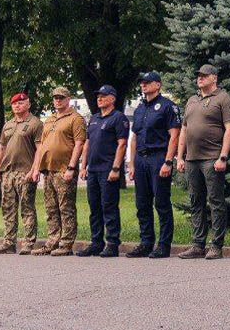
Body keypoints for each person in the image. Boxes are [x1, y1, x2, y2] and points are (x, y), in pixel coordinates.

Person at [177, 64, 230, 260]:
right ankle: (197, 244)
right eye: (198, 75)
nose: (200, 78)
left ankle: (216, 245)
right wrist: (180, 156)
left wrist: (223, 156)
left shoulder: (223, 99)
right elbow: (184, 130)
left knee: (215, 202)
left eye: (204, 76)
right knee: (196, 201)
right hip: (192, 159)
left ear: (214, 78)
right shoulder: (192, 100)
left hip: (212, 158)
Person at [127, 72, 181, 259]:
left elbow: (174, 136)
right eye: (142, 82)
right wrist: (131, 163)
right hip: (141, 159)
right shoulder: (140, 108)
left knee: (161, 202)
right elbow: (134, 137)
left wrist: (168, 161)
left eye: (147, 82)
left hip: (159, 157)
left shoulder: (168, 107)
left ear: (157, 85)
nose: (143, 85)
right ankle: (146, 242)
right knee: (142, 204)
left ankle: (164, 245)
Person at [29, 86, 86, 256]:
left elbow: (79, 143)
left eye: (61, 97)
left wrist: (71, 167)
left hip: (64, 170)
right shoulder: (50, 119)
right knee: (51, 208)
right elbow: (43, 145)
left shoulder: (76, 118)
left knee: (66, 207)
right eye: (55, 97)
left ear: (68, 99)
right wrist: (37, 167)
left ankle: (66, 243)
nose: (57, 100)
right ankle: (52, 241)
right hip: (48, 170)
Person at [77, 85, 130, 258]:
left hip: (108, 169)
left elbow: (122, 144)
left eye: (103, 96)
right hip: (92, 169)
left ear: (112, 98)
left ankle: (112, 243)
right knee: (94, 208)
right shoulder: (94, 118)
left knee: (109, 207)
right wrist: (83, 166)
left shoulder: (118, 118)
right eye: (98, 96)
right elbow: (87, 144)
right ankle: (96, 242)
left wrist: (116, 168)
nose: (99, 98)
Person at [0, 92, 44, 255]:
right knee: (8, 208)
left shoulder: (35, 123)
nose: (17, 106)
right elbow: (1, 148)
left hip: (25, 172)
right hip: (8, 172)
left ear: (28, 104)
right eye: (14, 104)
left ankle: (29, 242)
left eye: (21, 103)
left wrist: (35, 169)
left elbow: (40, 148)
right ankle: (8, 243)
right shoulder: (8, 124)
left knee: (27, 208)